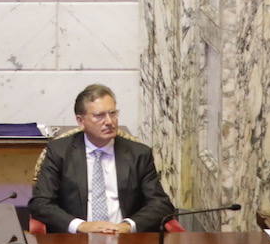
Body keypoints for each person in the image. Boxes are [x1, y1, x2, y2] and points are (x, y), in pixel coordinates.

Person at [29, 83, 175, 233]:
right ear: (81, 121)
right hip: (75, 241)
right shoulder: (59, 152)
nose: (109, 122)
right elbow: (41, 203)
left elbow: (161, 204)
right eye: (99, 116)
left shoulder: (138, 154)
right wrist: (80, 226)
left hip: (125, 241)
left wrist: (127, 226)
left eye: (113, 113)